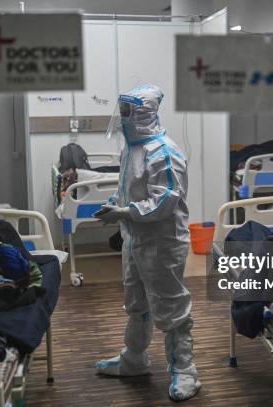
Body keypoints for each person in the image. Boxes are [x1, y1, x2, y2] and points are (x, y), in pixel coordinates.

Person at [94, 84, 201, 401]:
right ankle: (134, 359)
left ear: (143, 114)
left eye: (128, 112)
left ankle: (186, 372)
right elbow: (131, 187)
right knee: (137, 303)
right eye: (122, 111)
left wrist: (124, 211)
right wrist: (118, 201)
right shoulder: (132, 148)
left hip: (162, 243)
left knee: (170, 306)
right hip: (134, 237)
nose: (123, 117)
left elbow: (164, 202)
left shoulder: (164, 153)